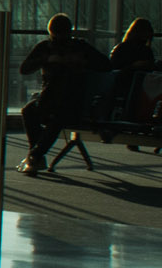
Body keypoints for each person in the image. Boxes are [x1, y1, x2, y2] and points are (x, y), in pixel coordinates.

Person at [16, 12, 101, 173]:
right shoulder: (80, 47)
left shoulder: (46, 48)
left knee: (35, 112)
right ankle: (36, 155)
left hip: (52, 100)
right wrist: (81, 62)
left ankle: (35, 155)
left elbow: (25, 69)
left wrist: (46, 60)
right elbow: (105, 65)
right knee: (55, 116)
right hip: (72, 101)